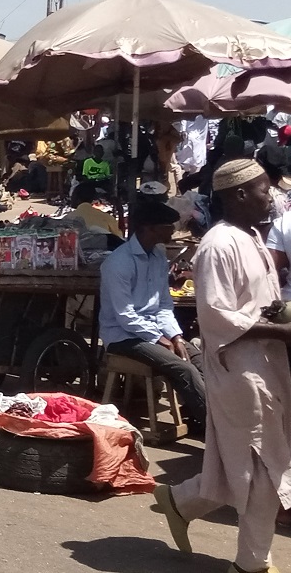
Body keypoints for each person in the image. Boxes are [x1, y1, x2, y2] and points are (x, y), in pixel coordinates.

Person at [153, 159, 291, 573]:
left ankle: (179, 502)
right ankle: (251, 564)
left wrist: (277, 315)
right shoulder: (218, 244)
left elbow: (256, 304)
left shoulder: (251, 238)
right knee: (264, 466)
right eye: (264, 189)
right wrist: (281, 331)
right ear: (238, 195)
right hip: (240, 369)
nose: (272, 196)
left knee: (241, 464)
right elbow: (216, 316)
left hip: (267, 364)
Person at [99, 200, 205, 430]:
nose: (173, 230)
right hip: (122, 337)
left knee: (199, 360)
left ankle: (200, 415)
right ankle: (215, 426)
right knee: (183, 368)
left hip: (151, 329)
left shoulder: (158, 257)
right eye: (167, 226)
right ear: (148, 228)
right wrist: (158, 339)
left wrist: (175, 337)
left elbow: (164, 305)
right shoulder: (118, 263)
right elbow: (125, 316)